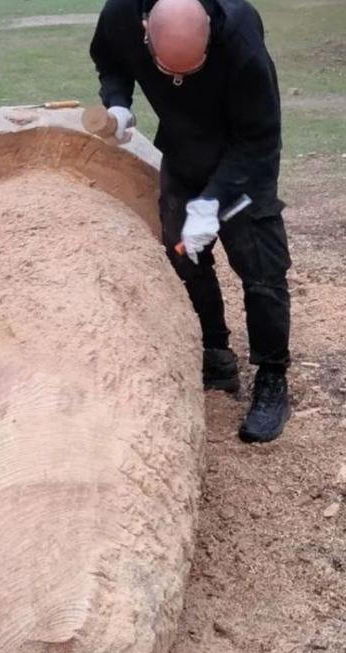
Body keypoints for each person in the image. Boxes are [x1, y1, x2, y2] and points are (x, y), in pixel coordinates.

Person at [89, 0, 292, 442]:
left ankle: (272, 377)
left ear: (208, 36)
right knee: (184, 257)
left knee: (261, 267)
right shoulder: (121, 14)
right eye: (171, 70)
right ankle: (215, 354)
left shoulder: (239, 35)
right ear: (145, 32)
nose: (181, 80)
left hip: (243, 158)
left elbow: (260, 137)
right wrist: (118, 103)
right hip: (182, 151)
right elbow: (109, 59)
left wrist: (214, 202)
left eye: (193, 67)